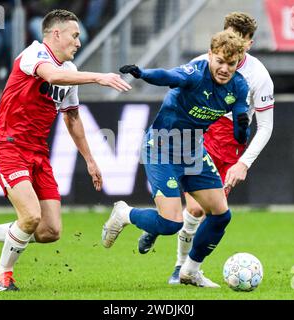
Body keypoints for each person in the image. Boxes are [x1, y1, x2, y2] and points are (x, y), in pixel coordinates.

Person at [0, 9, 131, 291]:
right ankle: (1, 275)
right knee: (30, 216)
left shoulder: (71, 72)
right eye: (74, 36)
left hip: (38, 153)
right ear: (56, 34)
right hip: (8, 146)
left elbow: (72, 117)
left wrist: (90, 160)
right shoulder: (34, 54)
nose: (78, 42)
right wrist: (99, 77)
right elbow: (51, 75)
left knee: (49, 231)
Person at [102, 29, 250, 287]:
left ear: (238, 63)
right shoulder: (196, 73)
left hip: (193, 149)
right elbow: (168, 76)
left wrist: (242, 125)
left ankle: (190, 271)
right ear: (209, 55)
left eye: (231, 63)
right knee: (171, 223)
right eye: (220, 61)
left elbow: (240, 132)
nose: (225, 68)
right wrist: (142, 73)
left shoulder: (239, 85)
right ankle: (125, 214)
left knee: (221, 215)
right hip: (161, 147)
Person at [164, 12, 275, 284]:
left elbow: (265, 126)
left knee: (214, 213)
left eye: (240, 39)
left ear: (249, 43)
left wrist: (243, 163)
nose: (232, 42)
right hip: (200, 137)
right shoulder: (202, 63)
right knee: (198, 209)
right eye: (229, 34)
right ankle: (182, 267)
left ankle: (186, 266)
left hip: (232, 149)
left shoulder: (259, 75)